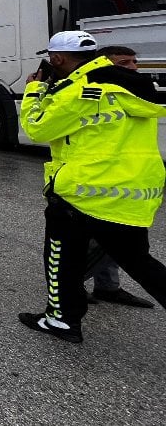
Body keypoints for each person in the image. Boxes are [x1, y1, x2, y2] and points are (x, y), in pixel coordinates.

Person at [17, 31, 166, 343]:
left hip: (83, 192)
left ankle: (62, 319)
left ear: (56, 58)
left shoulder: (81, 90)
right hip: (131, 191)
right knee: (141, 264)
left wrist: (33, 89)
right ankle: (80, 306)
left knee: (62, 259)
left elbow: (37, 127)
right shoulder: (133, 85)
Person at [81, 45, 155, 308]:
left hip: (131, 183)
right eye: (124, 63)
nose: (134, 68)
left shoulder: (140, 92)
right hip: (97, 184)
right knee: (97, 243)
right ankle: (69, 288)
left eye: (135, 61)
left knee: (114, 245)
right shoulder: (91, 95)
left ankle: (107, 287)